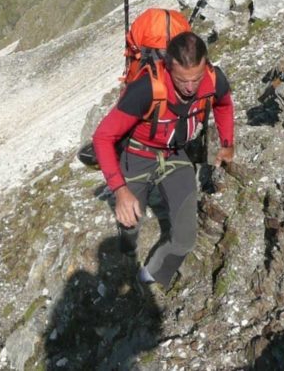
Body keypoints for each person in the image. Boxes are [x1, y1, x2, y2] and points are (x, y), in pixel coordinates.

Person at [91, 31, 235, 292]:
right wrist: (120, 191)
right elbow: (103, 136)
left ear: (207, 66)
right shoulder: (147, 88)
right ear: (169, 66)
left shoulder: (215, 80)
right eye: (182, 80)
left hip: (175, 153)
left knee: (185, 237)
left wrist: (227, 143)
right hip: (137, 155)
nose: (191, 88)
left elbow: (224, 104)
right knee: (130, 219)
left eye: (196, 78)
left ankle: (151, 277)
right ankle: (128, 242)